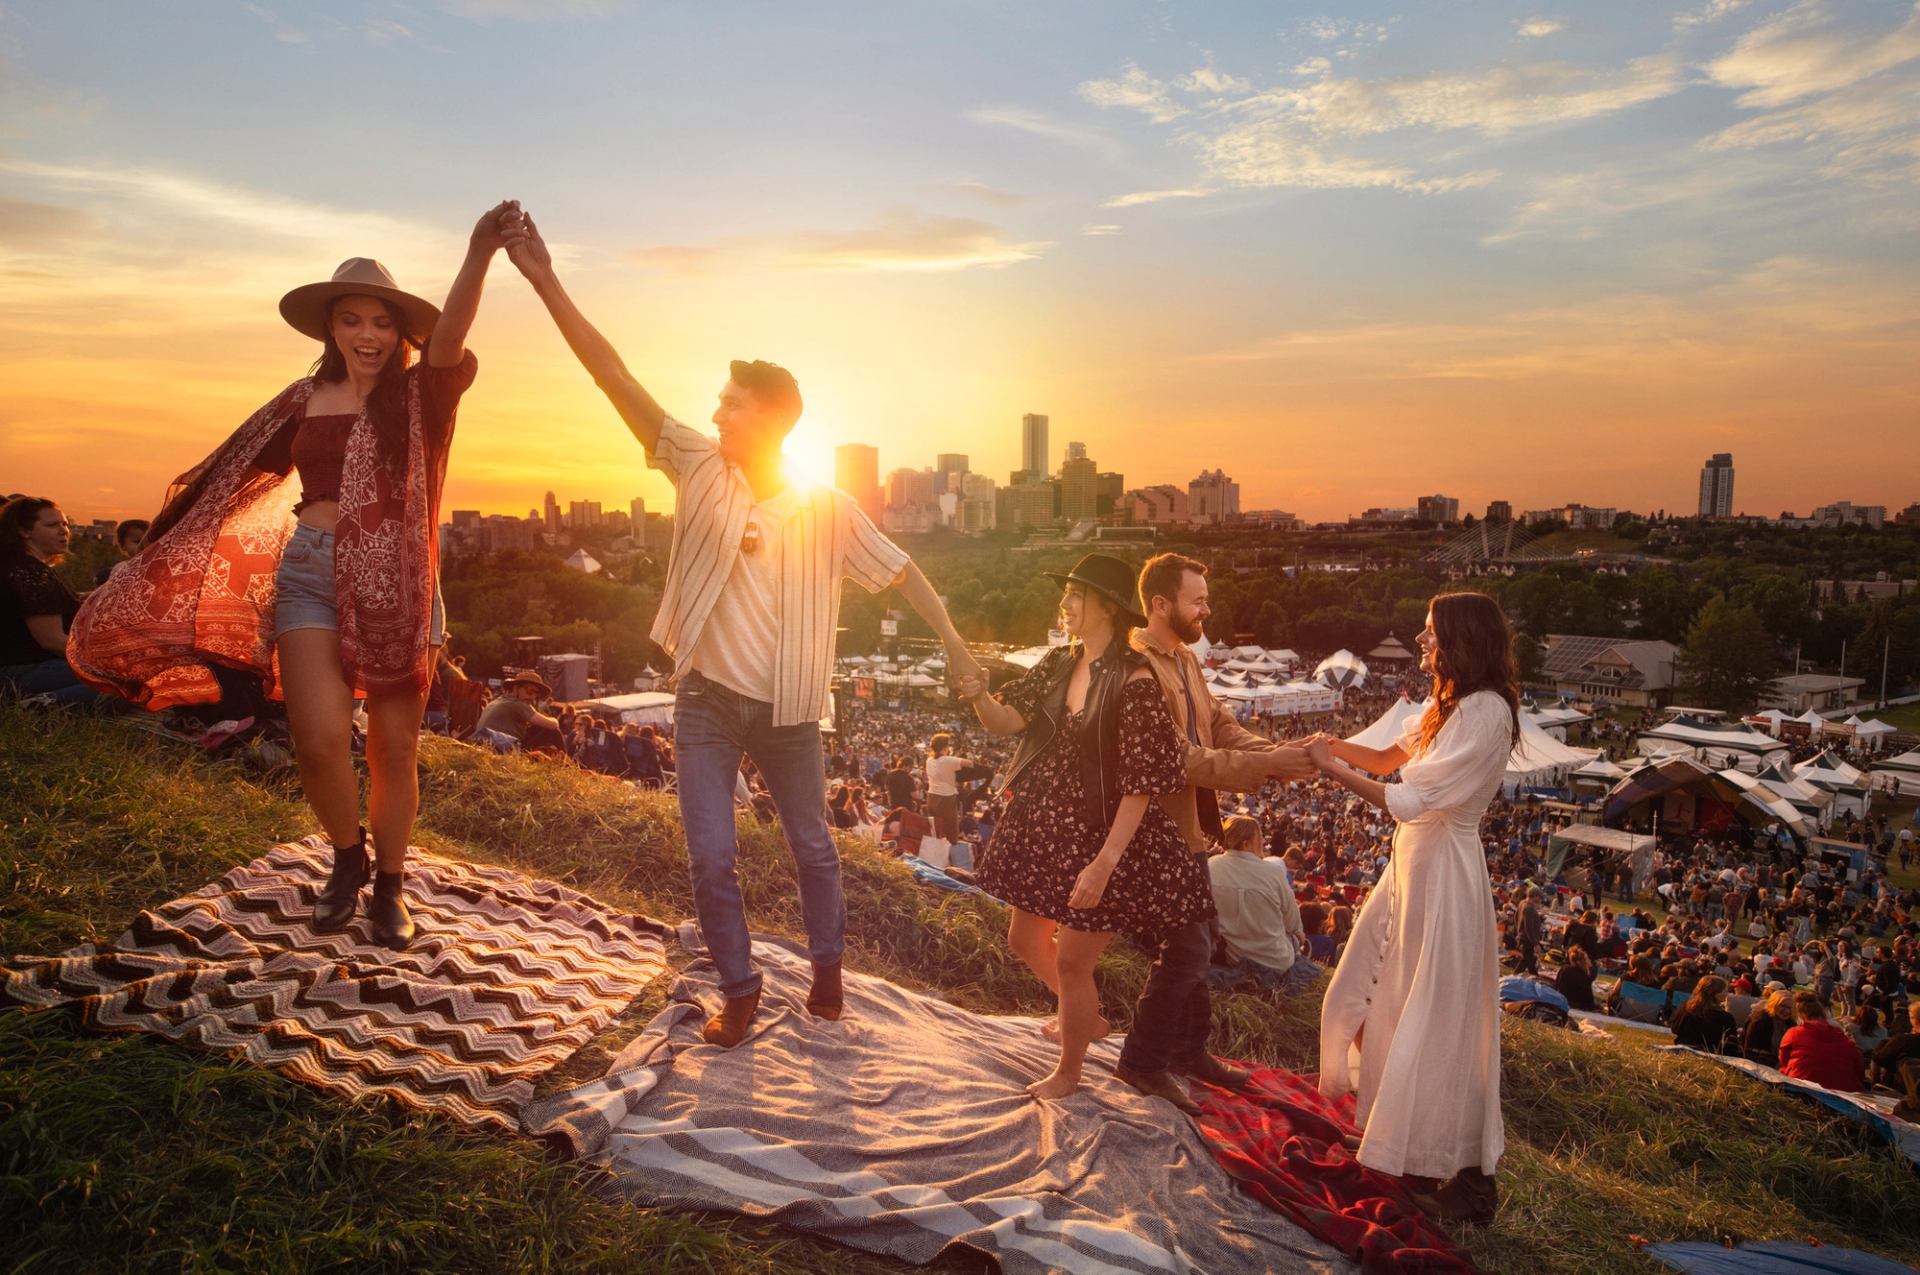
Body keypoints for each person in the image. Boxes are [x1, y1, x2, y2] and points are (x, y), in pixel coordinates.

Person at [500, 206, 983, 1048]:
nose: (715, 415)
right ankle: (741, 984)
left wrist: (955, 647)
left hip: (791, 713)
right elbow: (611, 373)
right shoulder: (697, 465)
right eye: (716, 405)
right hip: (708, 702)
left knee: (813, 849)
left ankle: (827, 973)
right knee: (709, 856)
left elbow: (905, 574)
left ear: (771, 416)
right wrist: (545, 279)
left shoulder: (827, 509)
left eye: (730, 405)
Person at [70, 213, 513, 948]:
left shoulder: (420, 398)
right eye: (350, 320)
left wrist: (478, 252)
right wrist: (154, 557)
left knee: (394, 750)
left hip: (399, 584)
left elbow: (451, 338)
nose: (367, 334)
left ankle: (391, 886)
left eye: (379, 321)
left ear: (399, 331)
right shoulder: (299, 402)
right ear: (330, 329)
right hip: (308, 568)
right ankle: (348, 856)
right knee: (317, 739)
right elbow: (224, 480)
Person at [956, 554, 1208, 1103]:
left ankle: (1069, 1073)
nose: (1064, 603)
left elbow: (1143, 783)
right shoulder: (1057, 662)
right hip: (1047, 825)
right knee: (1025, 939)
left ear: (1106, 608)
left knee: (1072, 960)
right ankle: (1087, 1020)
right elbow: (1007, 722)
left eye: (1075, 594)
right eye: (1066, 592)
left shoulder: (1135, 679)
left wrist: (1105, 862)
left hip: (1104, 835)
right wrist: (978, 695)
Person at [1304, 592, 1518, 1224]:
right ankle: (1393, 1135)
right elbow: (1385, 758)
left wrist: (1329, 769)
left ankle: (1467, 1178)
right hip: (1414, 869)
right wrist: (1335, 744)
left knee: (1440, 1016)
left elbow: (1407, 799)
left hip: (1445, 872)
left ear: (1460, 639)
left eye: (1430, 634)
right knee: (1386, 994)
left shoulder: (1485, 711)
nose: (1422, 643)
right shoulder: (1445, 704)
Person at [1117, 552, 1315, 1107]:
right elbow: (1179, 759)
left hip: (1192, 832)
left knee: (1201, 942)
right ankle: (1140, 1060)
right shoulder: (1136, 668)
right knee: (1184, 949)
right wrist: (1270, 765)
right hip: (1154, 831)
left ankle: (1188, 1049)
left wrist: (1277, 752)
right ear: (1160, 604)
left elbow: (1219, 725)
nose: (1208, 608)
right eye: (1197, 599)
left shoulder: (1184, 660)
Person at [0, 498, 105, 707]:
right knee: (126, 684)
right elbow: (51, 640)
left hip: (19, 670)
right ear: (24, 531)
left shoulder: (18, 566)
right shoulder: (31, 573)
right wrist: (101, 659)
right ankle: (41, 706)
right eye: (51, 525)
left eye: (65, 524)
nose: (63, 531)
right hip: (22, 672)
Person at [1209, 814, 1310, 991]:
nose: (1263, 843)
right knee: (1296, 937)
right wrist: (1299, 933)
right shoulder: (1273, 873)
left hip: (1232, 954)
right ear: (1246, 843)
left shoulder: (1211, 865)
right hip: (1274, 960)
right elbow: (1292, 921)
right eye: (1260, 839)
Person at [1778, 992, 1868, 1091]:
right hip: (1843, 1093)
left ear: (1800, 1015)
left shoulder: (1794, 1033)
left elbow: (1784, 1061)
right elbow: (1859, 1067)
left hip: (1801, 1087)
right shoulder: (1843, 1037)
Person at [475, 673, 561, 751]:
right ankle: (566, 764)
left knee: (538, 729)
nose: (533, 697)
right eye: (530, 691)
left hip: (488, 745)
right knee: (553, 731)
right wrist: (555, 719)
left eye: (536, 694)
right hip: (502, 748)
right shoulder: (517, 705)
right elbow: (552, 725)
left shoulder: (498, 701)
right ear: (515, 688)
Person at [1668, 976, 1739, 1055]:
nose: (1727, 994)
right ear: (1715, 993)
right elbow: (1731, 1045)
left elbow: (1675, 1029)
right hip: (1709, 1054)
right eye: (1725, 991)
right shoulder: (1726, 1018)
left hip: (1682, 1050)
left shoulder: (1686, 1008)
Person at [924, 733, 973, 841]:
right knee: (950, 831)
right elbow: (969, 763)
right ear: (945, 747)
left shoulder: (929, 760)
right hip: (945, 798)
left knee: (935, 830)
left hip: (931, 797)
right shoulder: (947, 760)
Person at [1741, 987, 1795, 1068]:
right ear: (1774, 1004)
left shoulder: (1790, 1024)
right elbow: (1750, 1050)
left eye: (1789, 1008)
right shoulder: (1760, 1020)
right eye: (1782, 1006)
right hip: (1758, 1066)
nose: (1786, 1011)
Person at [95, 518, 150, 586]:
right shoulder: (120, 568)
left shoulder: (154, 566)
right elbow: (111, 590)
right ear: (123, 545)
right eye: (137, 542)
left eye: (148, 542)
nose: (143, 546)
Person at [1554, 946, 1597, 1013]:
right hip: (1576, 1005)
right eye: (1587, 959)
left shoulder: (1564, 969)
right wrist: (1591, 967)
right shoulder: (1583, 976)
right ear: (1580, 962)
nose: (1589, 961)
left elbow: (1556, 986)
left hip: (1561, 1000)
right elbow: (1589, 999)